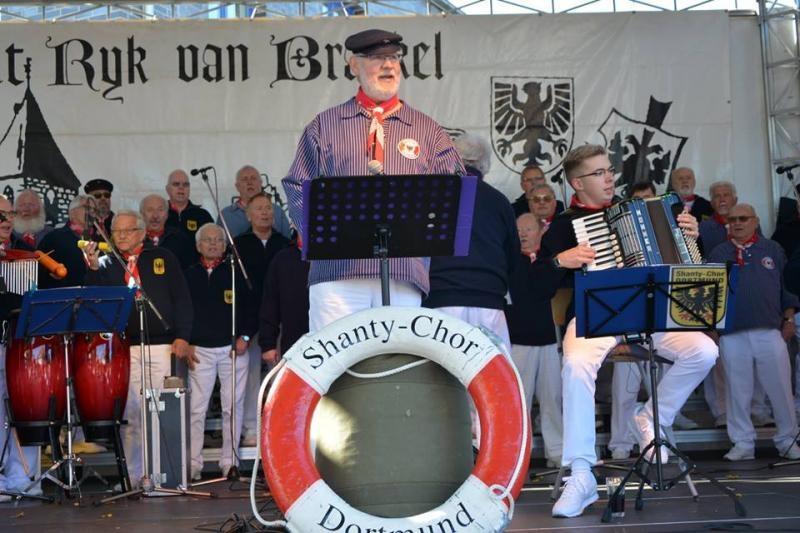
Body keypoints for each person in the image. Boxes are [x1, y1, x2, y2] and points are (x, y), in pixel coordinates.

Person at [535, 144, 717, 518]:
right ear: (577, 183)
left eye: (609, 170)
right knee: (576, 364)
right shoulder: (565, 226)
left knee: (704, 351)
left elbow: (683, 263)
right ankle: (581, 473)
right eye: (599, 173)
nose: (609, 178)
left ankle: (651, 417)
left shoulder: (642, 210)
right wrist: (559, 261)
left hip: (649, 313)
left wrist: (691, 236)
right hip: (596, 316)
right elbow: (535, 286)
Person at [282, 28, 464, 330]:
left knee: (396, 359)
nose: (388, 65)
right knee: (336, 358)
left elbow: (455, 189)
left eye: (394, 57)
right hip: (337, 275)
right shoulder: (325, 125)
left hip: (403, 272)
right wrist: (320, 240)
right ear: (354, 65)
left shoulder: (428, 130)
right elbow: (297, 185)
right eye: (377, 58)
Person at [83, 210, 195, 486]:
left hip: (161, 345)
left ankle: (163, 474)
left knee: (161, 411)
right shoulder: (108, 261)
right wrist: (93, 268)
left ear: (142, 232)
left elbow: (182, 298)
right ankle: (133, 476)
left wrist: (183, 336)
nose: (120, 236)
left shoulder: (162, 257)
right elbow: (95, 298)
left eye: (127, 230)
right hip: (125, 347)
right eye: (116, 231)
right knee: (131, 413)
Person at [708, 204, 800, 461]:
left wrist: (789, 318)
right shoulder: (719, 253)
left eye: (743, 218)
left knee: (781, 390)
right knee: (737, 392)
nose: (737, 223)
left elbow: (787, 286)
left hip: (769, 330)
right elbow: (709, 293)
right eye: (732, 219)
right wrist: (712, 328)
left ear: (755, 221)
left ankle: (788, 441)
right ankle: (742, 444)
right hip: (732, 334)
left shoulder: (772, 249)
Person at [423, 133, 518, 350]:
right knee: (492, 369)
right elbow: (513, 257)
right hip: (488, 301)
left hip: (441, 301)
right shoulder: (499, 201)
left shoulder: (431, 196)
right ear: (484, 165)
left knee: (444, 370)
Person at [184, 223, 249, 480]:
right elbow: (181, 310)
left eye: (218, 240)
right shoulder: (189, 274)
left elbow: (252, 306)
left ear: (225, 245)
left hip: (233, 349)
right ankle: (193, 465)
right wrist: (186, 340)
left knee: (232, 407)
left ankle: (230, 463)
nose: (213, 244)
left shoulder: (235, 271)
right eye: (208, 240)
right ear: (198, 245)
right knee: (196, 410)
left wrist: (245, 335)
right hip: (199, 349)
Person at [505, 213, 563, 467]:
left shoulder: (550, 260)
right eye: (518, 229)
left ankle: (557, 452)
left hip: (548, 339)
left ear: (541, 231)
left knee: (553, 400)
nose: (523, 234)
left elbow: (547, 290)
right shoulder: (509, 260)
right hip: (518, 341)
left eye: (528, 229)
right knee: (519, 402)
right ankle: (518, 457)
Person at [234, 193, 289, 446]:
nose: (265, 213)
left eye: (268, 208)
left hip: (279, 319)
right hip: (249, 318)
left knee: (280, 377)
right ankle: (251, 428)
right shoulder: (239, 244)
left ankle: (280, 427)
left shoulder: (284, 244)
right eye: (259, 208)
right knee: (251, 378)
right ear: (248, 214)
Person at [0, 195, 42, 501]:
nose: (7, 220)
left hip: (16, 346)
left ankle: (22, 478)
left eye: (10, 214)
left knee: (23, 410)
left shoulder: (22, 251)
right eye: (0, 215)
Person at [259, 236, 310, 364]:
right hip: (294, 342)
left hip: (332, 339)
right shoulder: (283, 258)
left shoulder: (333, 256)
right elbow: (270, 303)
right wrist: (268, 344)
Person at [37, 195, 97, 289]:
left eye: (94, 210)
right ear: (72, 212)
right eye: (87, 207)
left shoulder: (99, 239)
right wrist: (54, 276)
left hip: (96, 295)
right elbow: (39, 271)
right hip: (63, 295)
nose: (91, 212)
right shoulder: (54, 238)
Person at [218, 165, 292, 239]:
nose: (249, 182)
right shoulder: (225, 215)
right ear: (237, 186)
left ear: (261, 183)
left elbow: (287, 241)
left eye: (253, 178)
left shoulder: (277, 212)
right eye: (244, 179)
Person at [140, 194, 198, 269]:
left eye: (160, 210)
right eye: (150, 210)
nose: (155, 216)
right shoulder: (135, 239)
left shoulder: (180, 238)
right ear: (141, 214)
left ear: (167, 214)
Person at [165, 169, 213, 239]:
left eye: (185, 185)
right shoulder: (160, 213)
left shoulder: (202, 215)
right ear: (167, 189)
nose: (181, 188)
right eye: (176, 184)